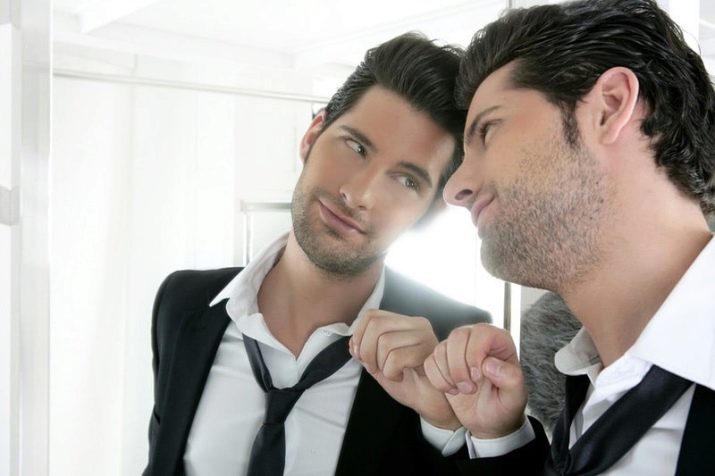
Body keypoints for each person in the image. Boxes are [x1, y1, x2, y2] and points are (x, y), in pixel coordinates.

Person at [143, 32, 490, 476]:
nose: (359, 194)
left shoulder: (454, 344)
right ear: (312, 135)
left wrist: (445, 423)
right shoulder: (182, 303)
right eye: (356, 147)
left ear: (431, 212)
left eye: (406, 181)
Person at [423, 0, 715, 474]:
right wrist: (500, 442)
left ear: (610, 106)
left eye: (488, 131)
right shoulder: (577, 393)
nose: (455, 188)